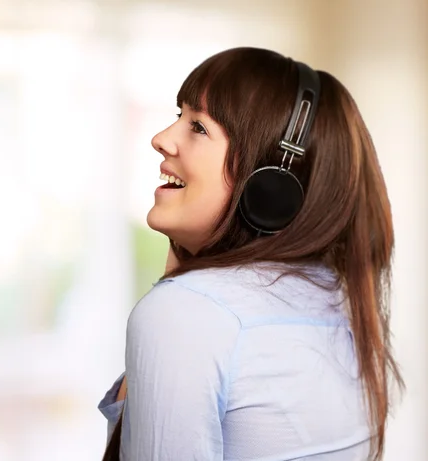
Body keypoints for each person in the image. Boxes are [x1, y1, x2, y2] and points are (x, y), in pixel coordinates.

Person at [98, 47, 403, 461]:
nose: (161, 139)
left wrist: (180, 292)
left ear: (271, 184)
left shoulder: (186, 313)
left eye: (199, 128)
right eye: (178, 116)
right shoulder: (338, 298)